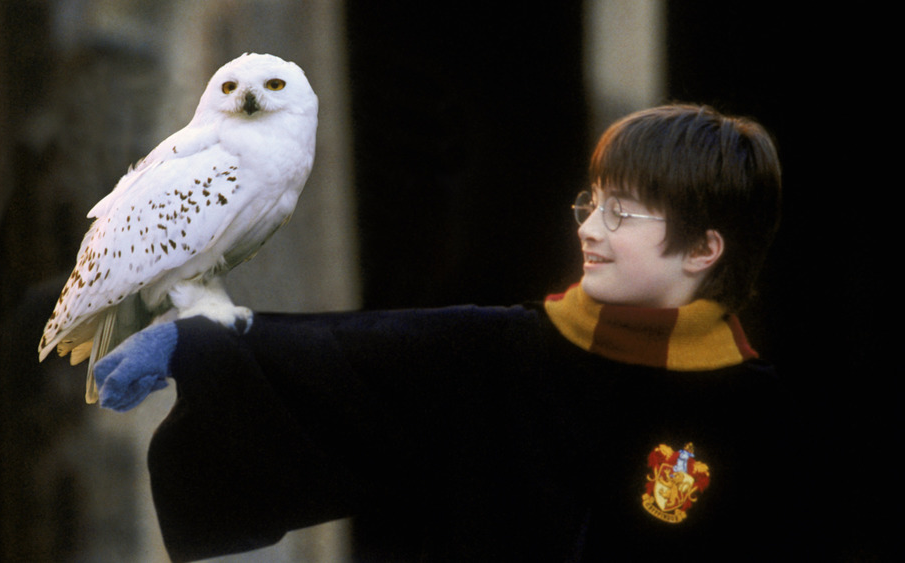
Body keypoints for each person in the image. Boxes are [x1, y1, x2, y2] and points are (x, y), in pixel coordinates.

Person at [95, 103, 788, 561]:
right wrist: (200, 346)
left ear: (704, 250)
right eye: (592, 203)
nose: (587, 228)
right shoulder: (510, 351)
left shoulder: (764, 416)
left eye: (622, 215)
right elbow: (349, 358)